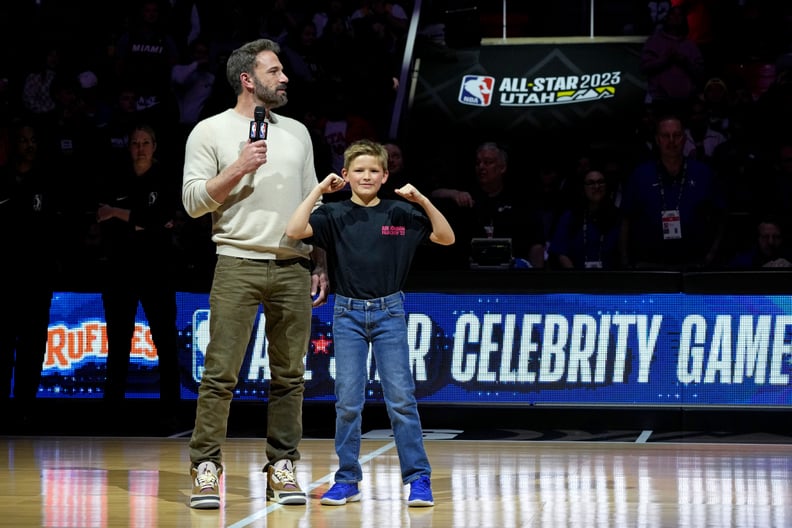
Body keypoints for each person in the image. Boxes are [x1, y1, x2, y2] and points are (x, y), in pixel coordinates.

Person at [181, 38, 330, 510]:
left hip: (292, 265)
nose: (284, 78)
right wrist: (238, 168)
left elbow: (314, 203)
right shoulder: (209, 131)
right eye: (274, 71)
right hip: (237, 263)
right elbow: (192, 203)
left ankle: (282, 466)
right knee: (220, 374)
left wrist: (320, 257)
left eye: (283, 71)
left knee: (290, 376)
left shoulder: (299, 133)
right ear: (248, 79)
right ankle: (206, 467)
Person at [285, 139, 454, 507]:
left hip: (389, 312)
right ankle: (347, 479)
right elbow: (295, 230)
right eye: (358, 171)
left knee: (401, 401)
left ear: (385, 175)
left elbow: (446, 237)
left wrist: (421, 200)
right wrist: (318, 190)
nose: (366, 176)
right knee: (347, 402)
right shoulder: (333, 213)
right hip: (347, 314)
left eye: (373, 170)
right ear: (345, 175)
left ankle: (418, 479)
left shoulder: (399, 213)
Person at [95, 124, 182, 409]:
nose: (140, 148)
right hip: (120, 269)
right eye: (135, 143)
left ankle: (171, 408)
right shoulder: (115, 177)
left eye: (145, 142)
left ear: (154, 146)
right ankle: (113, 409)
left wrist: (118, 214)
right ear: (128, 146)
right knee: (118, 341)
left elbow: (160, 220)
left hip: (157, 269)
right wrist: (143, 221)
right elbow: (102, 216)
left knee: (165, 339)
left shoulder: (166, 178)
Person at [0, 120, 63, 425]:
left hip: (37, 277)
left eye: (33, 140)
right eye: (23, 140)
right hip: (6, 277)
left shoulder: (47, 180)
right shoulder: (3, 179)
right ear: (15, 144)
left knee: (33, 344)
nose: (29, 145)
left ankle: (26, 407)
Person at [619, 112, 726, 270]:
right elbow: (625, 219)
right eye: (665, 136)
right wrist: (625, 261)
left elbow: (721, 216)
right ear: (657, 140)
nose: (671, 141)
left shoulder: (703, 173)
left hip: (693, 264)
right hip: (649, 264)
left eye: (676, 135)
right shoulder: (641, 174)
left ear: (684, 138)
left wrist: (711, 256)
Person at [548, 168, 621, 269]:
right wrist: (576, 279)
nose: (597, 186)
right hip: (576, 279)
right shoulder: (570, 216)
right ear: (583, 188)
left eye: (601, 182)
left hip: (611, 278)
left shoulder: (617, 216)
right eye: (591, 183)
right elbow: (561, 252)